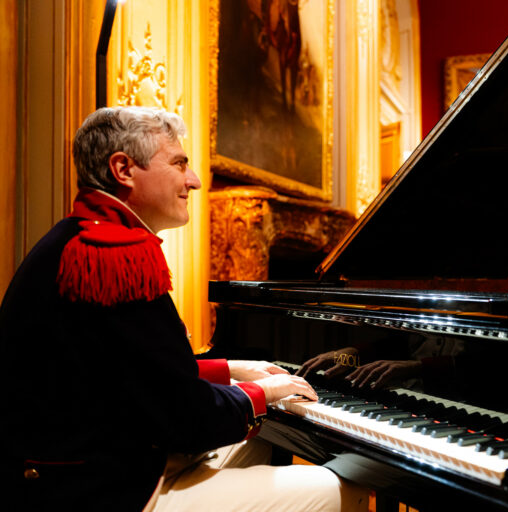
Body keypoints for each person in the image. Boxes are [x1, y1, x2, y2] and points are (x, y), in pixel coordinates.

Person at [0, 107, 368, 511]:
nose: (193, 181)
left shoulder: (79, 239)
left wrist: (231, 370)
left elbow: (131, 375)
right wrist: (260, 393)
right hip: (93, 489)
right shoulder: (115, 255)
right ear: (123, 169)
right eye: (179, 163)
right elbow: (186, 419)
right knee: (340, 485)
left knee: (262, 442)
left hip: (76, 467)